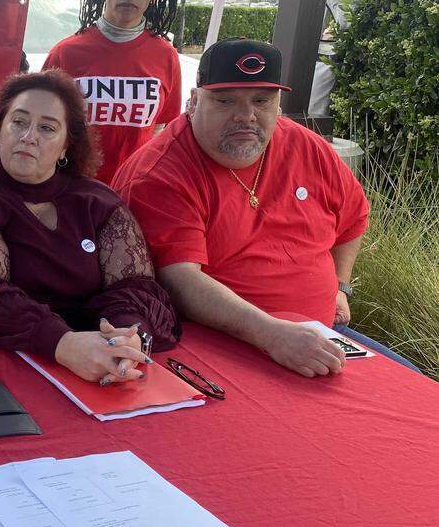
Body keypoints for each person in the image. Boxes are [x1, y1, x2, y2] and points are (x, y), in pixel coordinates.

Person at [114, 38, 412, 377]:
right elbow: (180, 282)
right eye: (225, 101)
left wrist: (341, 287)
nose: (246, 116)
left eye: (261, 101)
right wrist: (273, 334)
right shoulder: (160, 173)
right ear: (193, 102)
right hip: (223, 344)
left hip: (321, 336)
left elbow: (353, 218)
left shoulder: (306, 146)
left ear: (279, 106)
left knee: (419, 398)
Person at [0, 69, 179, 386]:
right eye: (18, 122)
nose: (29, 136)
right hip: (4, 369)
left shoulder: (99, 202)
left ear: (66, 146)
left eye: (47, 128)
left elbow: (137, 287)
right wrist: (64, 344)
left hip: (100, 359)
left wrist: (127, 336)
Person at [44, 0, 182, 185]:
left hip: (134, 195)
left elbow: (161, 132)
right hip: (71, 195)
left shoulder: (166, 56)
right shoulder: (65, 54)